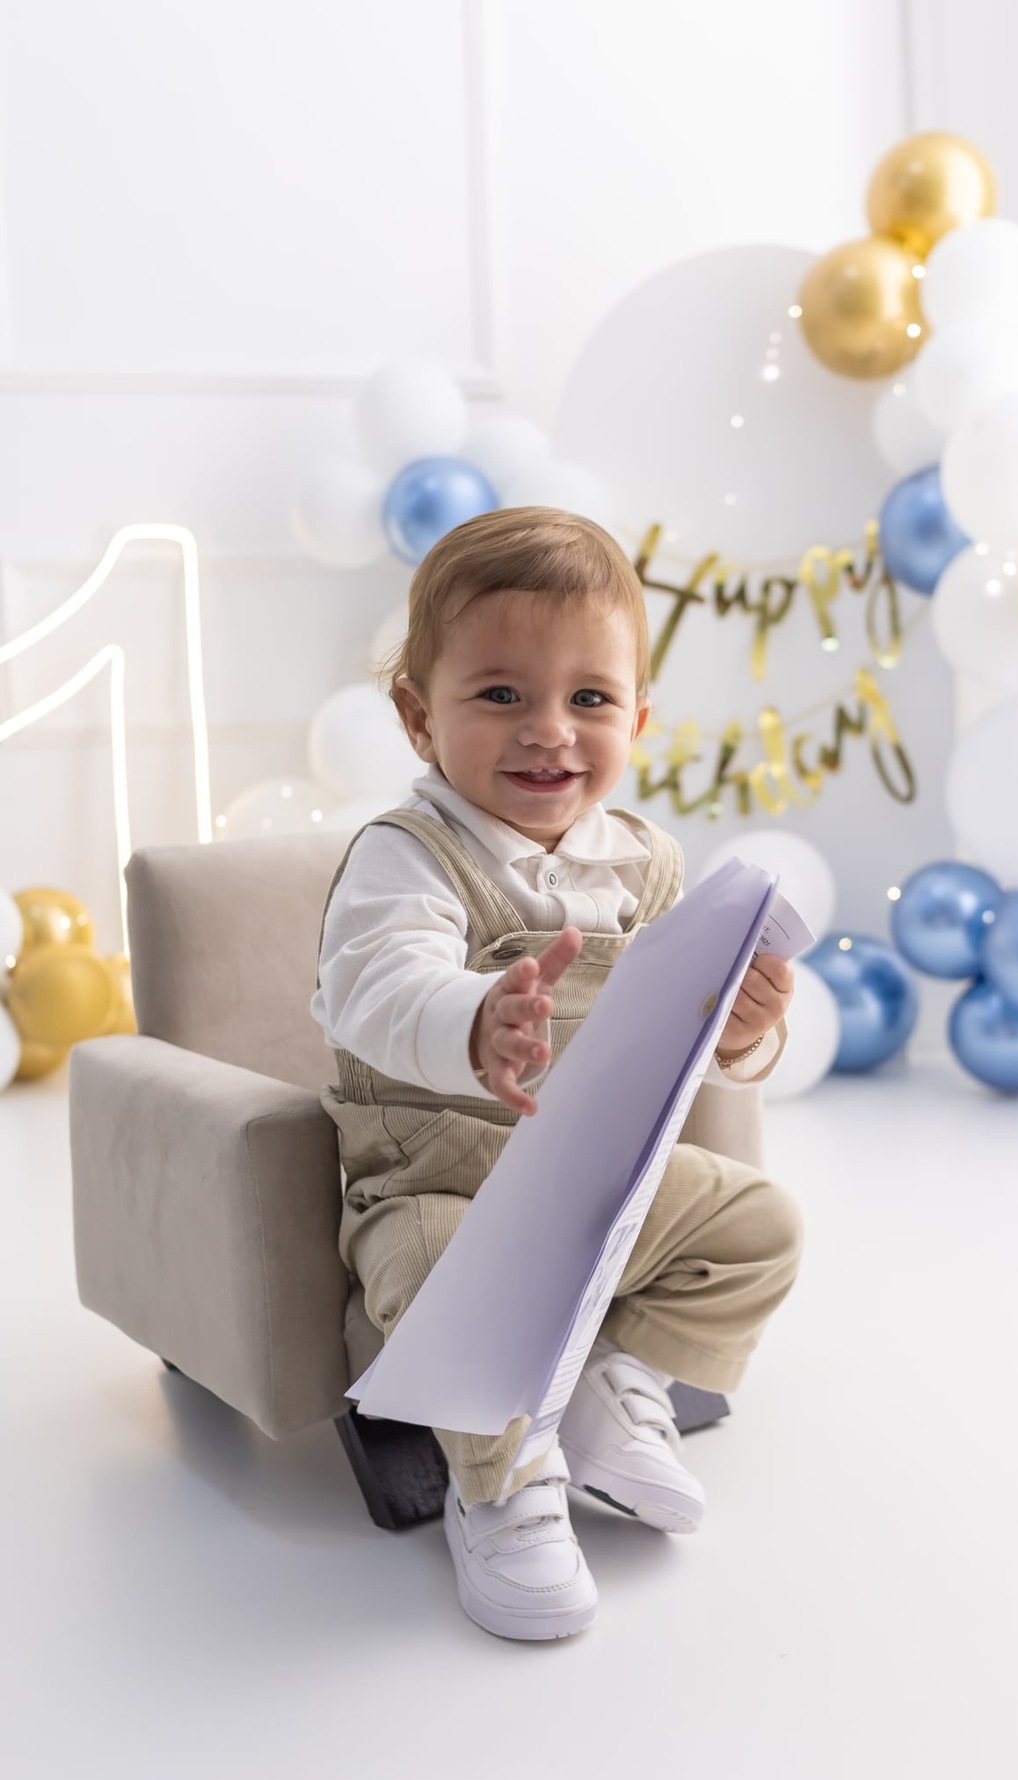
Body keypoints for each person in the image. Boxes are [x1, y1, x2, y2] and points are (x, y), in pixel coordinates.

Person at [312, 505, 802, 1642]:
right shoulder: (406, 856)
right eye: (500, 694)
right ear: (418, 718)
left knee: (761, 1227)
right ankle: (503, 1484)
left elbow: (679, 1039)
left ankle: (616, 1383)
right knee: (447, 1285)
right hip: (440, 1183)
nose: (549, 732)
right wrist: (474, 1019)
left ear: (638, 716)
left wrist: (738, 1031)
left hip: (597, 1180)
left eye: (589, 699)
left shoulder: (643, 863)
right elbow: (375, 986)